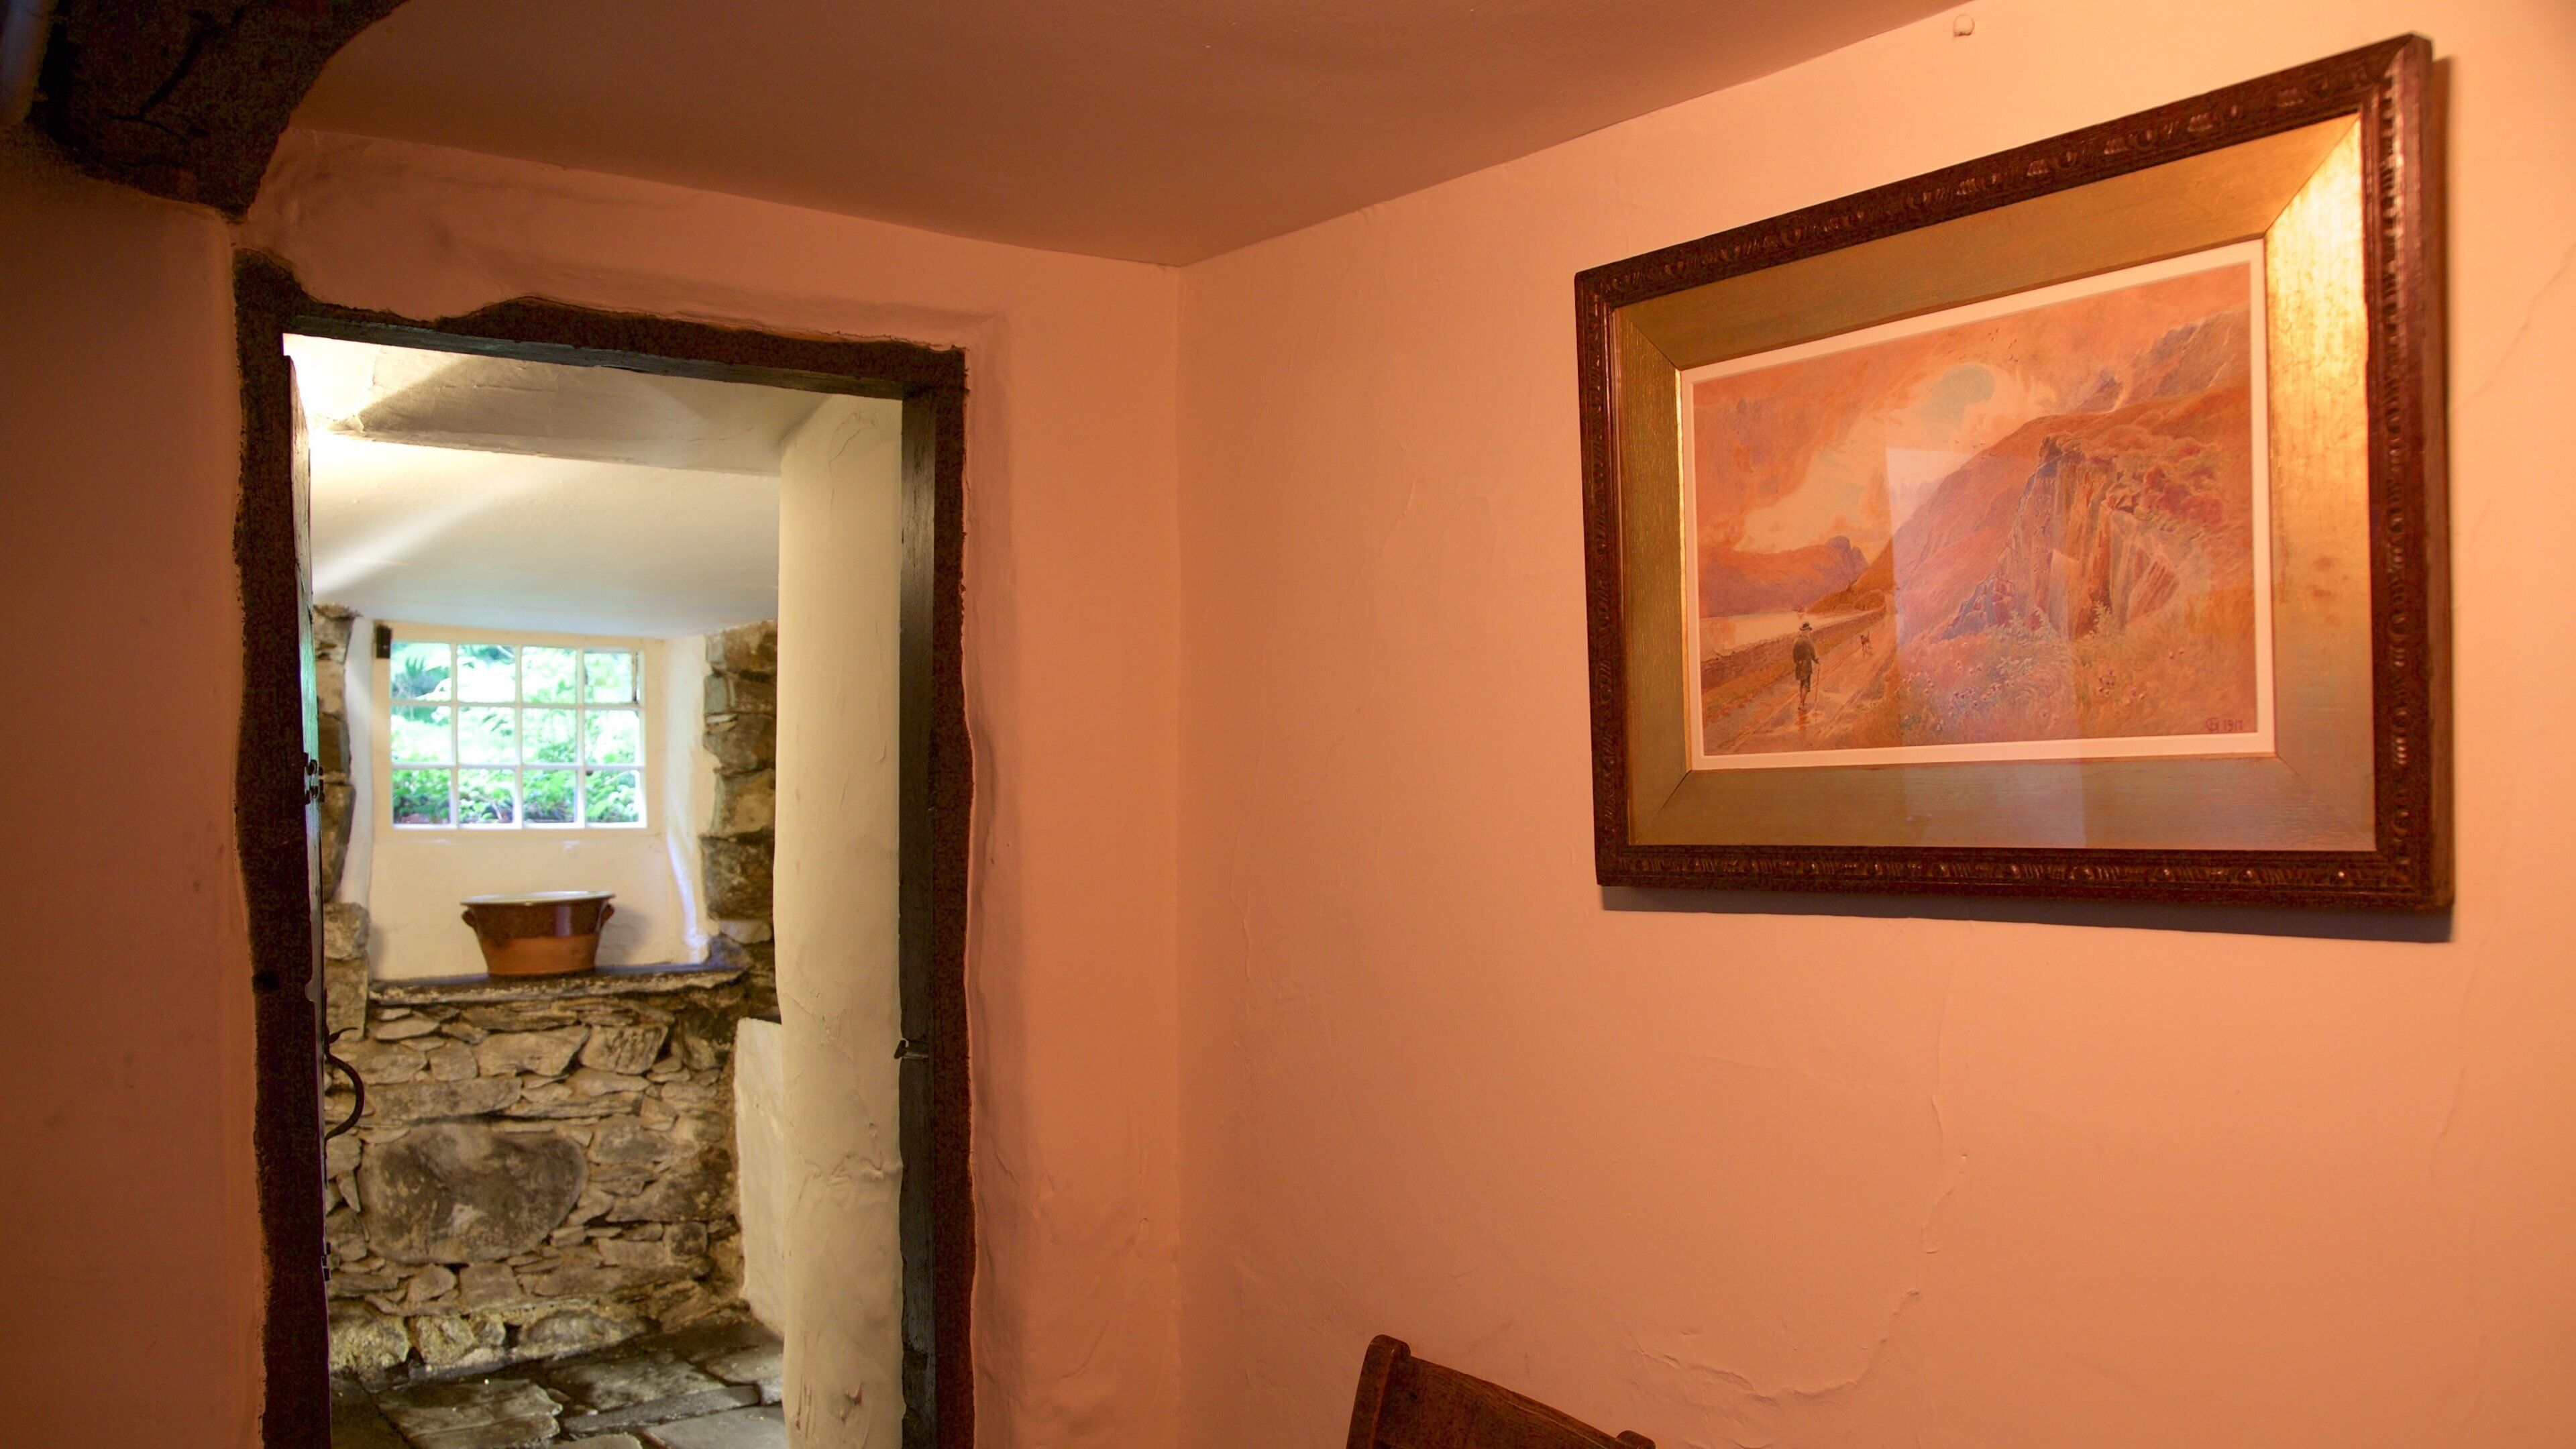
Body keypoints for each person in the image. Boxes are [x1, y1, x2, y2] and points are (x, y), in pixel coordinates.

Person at [1791, 621, 1819, 706]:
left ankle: (1802, 701)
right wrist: (1817, 660)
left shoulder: (1796, 640)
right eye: (1808, 630)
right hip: (1806, 665)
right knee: (1806, 685)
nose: (1809, 632)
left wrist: (1796, 662)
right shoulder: (1807, 640)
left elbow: (1794, 653)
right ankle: (1802, 704)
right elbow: (1813, 653)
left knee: (1802, 684)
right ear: (1806, 631)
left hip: (1799, 665)